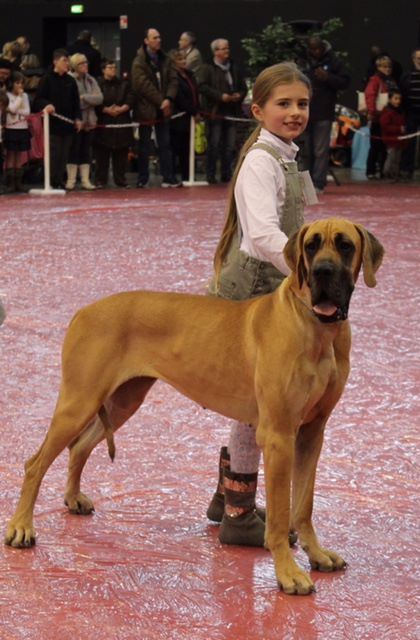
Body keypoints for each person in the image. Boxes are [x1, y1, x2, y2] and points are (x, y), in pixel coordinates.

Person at [206, 62, 312, 546]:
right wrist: (309, 276)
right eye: (283, 104)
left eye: (302, 104)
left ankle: (226, 494)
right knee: (257, 410)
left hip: (274, 289)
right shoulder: (260, 161)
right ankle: (239, 515)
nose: (295, 112)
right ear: (258, 110)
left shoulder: (284, 156)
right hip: (252, 292)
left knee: (252, 404)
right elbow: (267, 235)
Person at [131, 27, 181, 188]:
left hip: (164, 108)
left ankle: (168, 177)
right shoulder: (139, 61)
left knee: (165, 144)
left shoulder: (166, 59)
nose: (158, 40)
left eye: (159, 37)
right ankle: (142, 178)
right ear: (146, 41)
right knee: (144, 146)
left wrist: (168, 99)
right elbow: (142, 85)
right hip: (146, 109)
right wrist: (161, 101)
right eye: (154, 38)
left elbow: (174, 80)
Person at [300, 36, 350, 193]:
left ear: (323, 47)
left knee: (320, 150)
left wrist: (327, 77)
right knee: (305, 150)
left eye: (318, 48)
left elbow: (345, 81)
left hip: (324, 111)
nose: (316, 52)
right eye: (312, 49)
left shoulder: (334, 61)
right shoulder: (302, 61)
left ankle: (318, 184)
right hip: (304, 112)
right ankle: (305, 184)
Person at [198, 38, 247, 184]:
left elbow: (243, 87)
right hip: (215, 112)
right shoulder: (207, 67)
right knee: (214, 144)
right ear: (215, 51)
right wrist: (220, 96)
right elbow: (202, 86)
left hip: (232, 112)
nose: (227, 51)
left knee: (230, 146)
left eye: (227, 48)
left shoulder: (234, 67)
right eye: (223, 49)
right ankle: (211, 175)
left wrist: (239, 95)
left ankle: (226, 174)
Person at [33, 48, 82, 189]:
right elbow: (37, 100)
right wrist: (47, 104)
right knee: (53, 154)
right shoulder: (46, 79)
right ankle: (50, 181)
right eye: (64, 60)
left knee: (64, 155)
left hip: (68, 124)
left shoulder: (71, 81)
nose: (67, 63)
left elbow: (76, 103)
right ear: (55, 61)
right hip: (52, 125)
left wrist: (78, 118)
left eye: (68, 61)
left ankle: (59, 180)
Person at [93, 59, 135, 188]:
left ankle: (120, 180)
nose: (113, 70)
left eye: (114, 67)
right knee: (102, 155)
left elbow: (131, 97)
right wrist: (105, 110)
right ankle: (100, 180)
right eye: (110, 67)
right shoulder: (97, 83)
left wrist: (122, 108)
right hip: (103, 123)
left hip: (121, 122)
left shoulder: (124, 83)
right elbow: (94, 100)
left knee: (121, 154)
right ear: (103, 70)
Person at [67, 53, 103, 190]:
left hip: (90, 121)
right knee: (74, 150)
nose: (85, 65)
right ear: (75, 66)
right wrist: (87, 100)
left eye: (86, 62)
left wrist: (84, 98)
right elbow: (74, 102)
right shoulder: (70, 80)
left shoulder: (91, 79)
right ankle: (71, 180)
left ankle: (85, 180)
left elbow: (99, 98)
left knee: (86, 151)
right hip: (76, 120)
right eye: (82, 63)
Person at [364, 55, 399, 179]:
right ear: (378, 67)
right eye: (384, 66)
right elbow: (370, 96)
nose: (388, 69)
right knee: (375, 145)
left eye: (389, 66)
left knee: (384, 146)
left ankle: (383, 171)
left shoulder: (390, 80)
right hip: (377, 117)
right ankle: (371, 171)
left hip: (387, 116)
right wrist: (372, 112)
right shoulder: (375, 80)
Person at [168, 49, 199, 182]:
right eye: (180, 59)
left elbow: (195, 94)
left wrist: (197, 110)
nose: (184, 61)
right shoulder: (173, 76)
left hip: (188, 118)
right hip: (177, 117)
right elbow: (179, 98)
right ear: (173, 62)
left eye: (184, 58)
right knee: (176, 147)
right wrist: (194, 111)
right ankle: (173, 176)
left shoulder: (189, 74)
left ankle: (187, 176)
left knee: (187, 148)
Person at [3, 70, 31, 192]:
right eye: (17, 83)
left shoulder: (25, 96)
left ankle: (18, 183)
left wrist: (16, 109)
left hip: (22, 128)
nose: (20, 86)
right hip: (11, 128)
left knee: (19, 156)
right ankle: (10, 183)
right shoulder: (6, 96)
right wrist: (18, 99)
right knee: (10, 155)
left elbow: (27, 112)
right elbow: (11, 109)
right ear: (11, 84)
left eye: (22, 83)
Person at [400, 48, 420, 180]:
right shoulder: (406, 76)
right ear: (413, 60)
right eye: (418, 58)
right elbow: (401, 96)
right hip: (411, 112)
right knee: (409, 143)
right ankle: (407, 170)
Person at [379, 90, 406, 180]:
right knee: (391, 158)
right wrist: (399, 129)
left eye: (399, 99)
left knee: (397, 159)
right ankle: (387, 174)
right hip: (390, 139)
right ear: (390, 99)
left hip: (399, 139)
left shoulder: (400, 111)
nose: (398, 101)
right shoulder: (387, 112)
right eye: (395, 98)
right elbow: (385, 126)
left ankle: (395, 174)